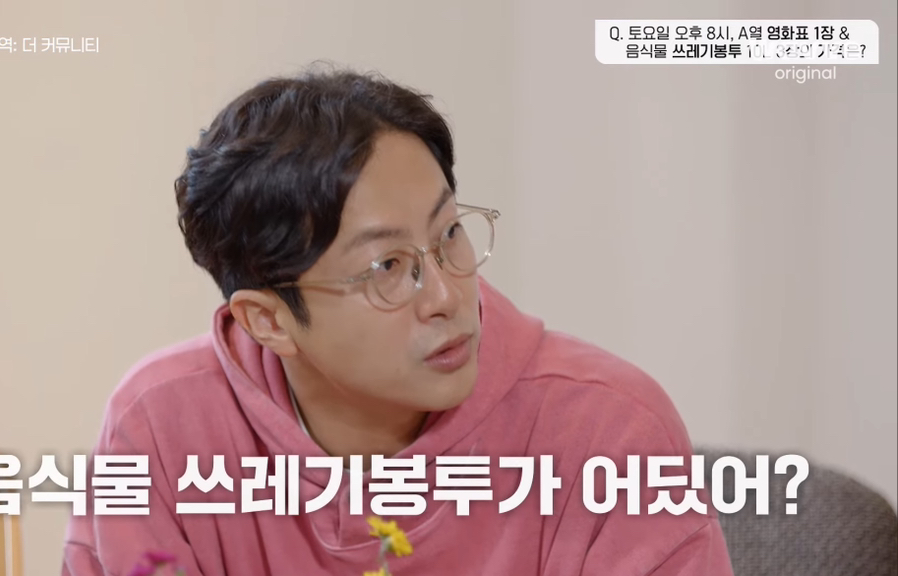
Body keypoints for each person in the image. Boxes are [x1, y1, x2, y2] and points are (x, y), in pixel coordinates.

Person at [61, 66, 734, 576]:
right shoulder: (162, 430)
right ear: (269, 321)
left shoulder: (609, 434)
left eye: (449, 235)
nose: (447, 294)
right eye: (386, 266)